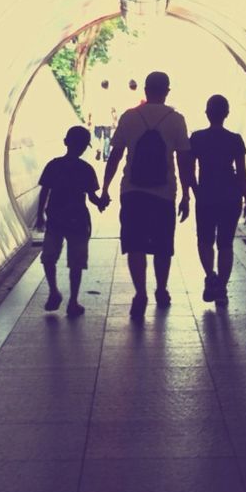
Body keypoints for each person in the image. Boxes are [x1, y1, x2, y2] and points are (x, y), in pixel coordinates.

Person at [99, 70, 195, 321]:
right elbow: (184, 159)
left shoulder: (130, 117)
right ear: (167, 91)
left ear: (145, 89)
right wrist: (186, 194)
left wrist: (106, 187)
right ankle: (161, 289)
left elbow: (116, 155)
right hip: (164, 193)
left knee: (135, 244)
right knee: (163, 245)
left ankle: (140, 293)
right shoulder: (177, 119)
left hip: (132, 191)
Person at [187, 94, 246, 307]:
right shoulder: (235, 139)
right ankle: (222, 288)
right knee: (225, 243)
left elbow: (189, 171)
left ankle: (210, 276)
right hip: (230, 195)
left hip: (206, 193)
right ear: (227, 114)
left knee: (204, 240)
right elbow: (242, 172)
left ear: (207, 113)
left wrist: (195, 192)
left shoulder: (196, 138)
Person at [35, 125, 104, 317]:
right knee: (76, 262)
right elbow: (92, 197)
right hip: (78, 219)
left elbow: (45, 191)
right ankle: (73, 301)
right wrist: (102, 202)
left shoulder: (53, 165)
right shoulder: (85, 169)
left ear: (66, 142)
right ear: (85, 147)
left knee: (49, 257)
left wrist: (40, 214)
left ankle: (53, 291)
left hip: (55, 217)